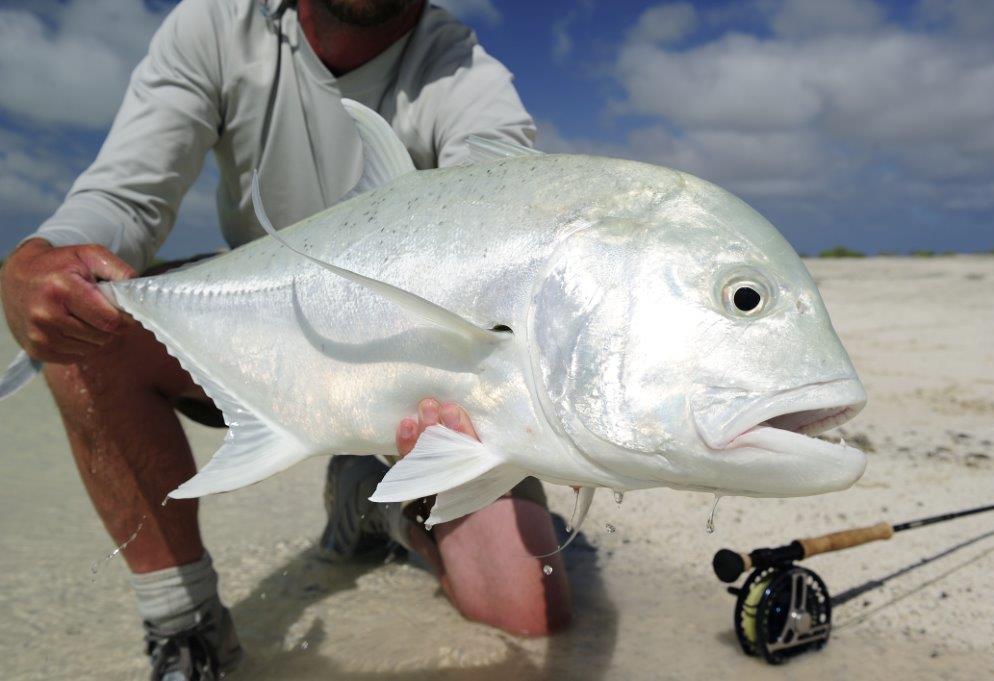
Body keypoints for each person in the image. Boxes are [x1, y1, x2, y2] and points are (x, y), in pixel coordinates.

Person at [0, 1, 571, 678]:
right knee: (88, 322)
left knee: (528, 613)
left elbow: (503, 197)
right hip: (255, 327)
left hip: (417, 369)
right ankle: (185, 627)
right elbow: (127, 197)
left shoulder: (460, 68)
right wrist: (43, 258)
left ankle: (377, 503)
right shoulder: (215, 25)